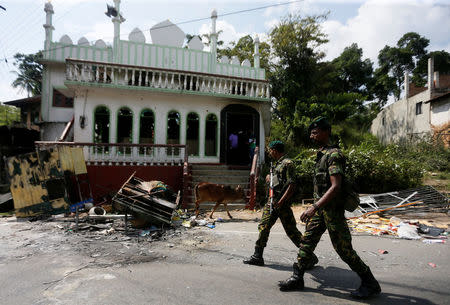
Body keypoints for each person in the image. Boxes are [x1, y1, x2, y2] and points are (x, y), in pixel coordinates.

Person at [278, 117, 381, 299]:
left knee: (343, 249)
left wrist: (314, 207)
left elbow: (336, 187)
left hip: (332, 211)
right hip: (320, 210)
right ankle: (297, 276)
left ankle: (370, 282)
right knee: (306, 243)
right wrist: (315, 207)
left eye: (315, 132)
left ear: (327, 132)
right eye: (311, 132)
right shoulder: (321, 155)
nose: (312, 136)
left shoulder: (334, 155)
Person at [243, 140, 318, 269]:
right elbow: (276, 183)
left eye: (271, 150)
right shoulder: (276, 165)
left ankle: (309, 256)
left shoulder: (287, 163)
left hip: (280, 203)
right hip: (272, 202)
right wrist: (268, 178)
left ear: (275, 150)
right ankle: (257, 255)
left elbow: (292, 184)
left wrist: (281, 201)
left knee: (291, 232)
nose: (269, 152)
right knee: (264, 227)